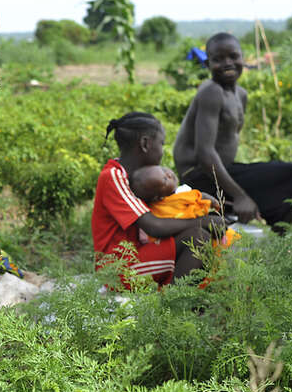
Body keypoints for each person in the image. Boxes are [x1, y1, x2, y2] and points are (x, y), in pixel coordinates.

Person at [172, 32, 292, 234]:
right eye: (217, 59)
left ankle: (279, 239)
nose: (227, 63)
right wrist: (240, 195)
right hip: (198, 177)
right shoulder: (211, 91)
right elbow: (205, 154)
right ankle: (281, 242)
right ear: (207, 64)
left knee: (291, 178)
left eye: (233, 56)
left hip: (222, 171)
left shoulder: (241, 94)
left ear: (243, 59)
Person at [91, 112, 225, 289]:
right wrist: (203, 221)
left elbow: (171, 203)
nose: (163, 150)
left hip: (140, 253)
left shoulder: (139, 178)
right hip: (120, 269)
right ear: (145, 144)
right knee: (198, 237)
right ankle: (174, 304)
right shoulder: (114, 176)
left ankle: (193, 295)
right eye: (162, 144)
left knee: (203, 236)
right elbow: (154, 226)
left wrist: (199, 198)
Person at [128, 165, 239, 247]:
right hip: (202, 232)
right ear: (158, 197)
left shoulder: (157, 207)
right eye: (165, 180)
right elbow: (199, 197)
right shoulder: (177, 198)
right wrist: (212, 201)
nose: (169, 174)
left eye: (163, 170)